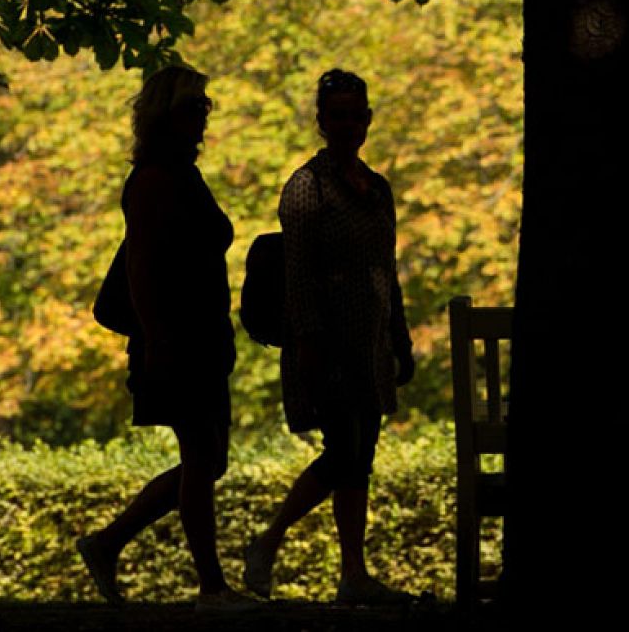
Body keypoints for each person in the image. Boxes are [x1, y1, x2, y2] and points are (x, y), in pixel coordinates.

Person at [76, 64, 253, 610]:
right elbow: (142, 269)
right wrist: (158, 340)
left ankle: (108, 543)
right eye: (193, 104)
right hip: (178, 340)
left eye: (205, 103)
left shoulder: (179, 173)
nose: (204, 112)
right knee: (202, 457)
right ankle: (212, 587)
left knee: (209, 459)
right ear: (166, 115)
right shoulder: (154, 180)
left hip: (197, 336)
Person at [242, 68, 416, 604]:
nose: (345, 124)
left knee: (359, 457)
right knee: (343, 451)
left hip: (371, 344)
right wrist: (311, 349)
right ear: (322, 121)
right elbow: (297, 277)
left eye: (353, 114)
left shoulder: (378, 188)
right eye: (334, 115)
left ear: (366, 119)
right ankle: (267, 541)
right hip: (325, 344)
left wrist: (400, 338)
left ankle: (353, 574)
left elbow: (386, 268)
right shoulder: (306, 188)